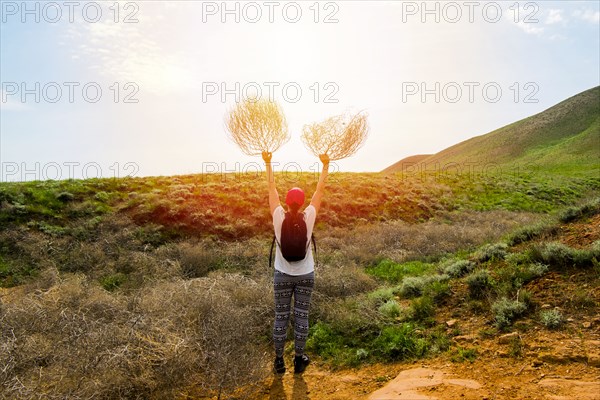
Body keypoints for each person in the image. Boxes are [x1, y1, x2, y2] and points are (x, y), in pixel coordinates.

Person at [262, 151, 330, 374]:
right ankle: (299, 360)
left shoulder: (278, 216)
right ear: (301, 203)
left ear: (287, 202)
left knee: (281, 316)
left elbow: (271, 189)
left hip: (282, 273)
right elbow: (320, 191)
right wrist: (325, 166)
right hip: (305, 274)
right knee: (302, 316)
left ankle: (279, 362)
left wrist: (268, 162)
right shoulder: (309, 215)